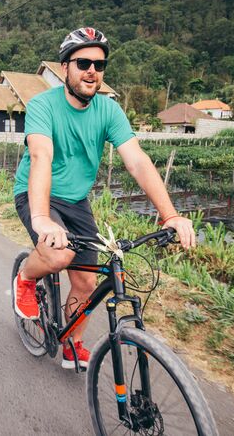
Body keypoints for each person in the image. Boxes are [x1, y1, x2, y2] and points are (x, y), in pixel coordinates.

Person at [11, 27, 197, 370]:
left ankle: (71, 343)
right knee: (58, 255)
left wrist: (170, 215)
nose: (91, 71)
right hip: (38, 193)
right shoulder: (42, 106)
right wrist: (41, 219)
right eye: (83, 62)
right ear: (65, 67)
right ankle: (25, 276)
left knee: (86, 279)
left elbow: (137, 161)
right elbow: (41, 157)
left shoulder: (109, 112)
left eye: (99, 64)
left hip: (76, 200)